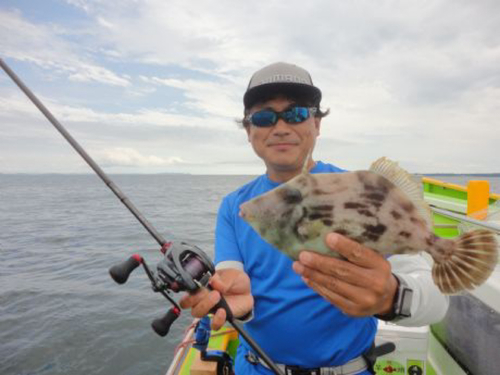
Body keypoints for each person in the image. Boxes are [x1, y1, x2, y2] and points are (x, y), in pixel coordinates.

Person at [180, 62, 449, 375]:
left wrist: (390, 296)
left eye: (296, 113)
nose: (280, 127)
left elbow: (436, 301)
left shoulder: (357, 191)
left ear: (317, 124)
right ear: (249, 130)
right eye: (264, 117)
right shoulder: (235, 206)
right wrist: (232, 301)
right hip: (256, 368)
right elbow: (232, 280)